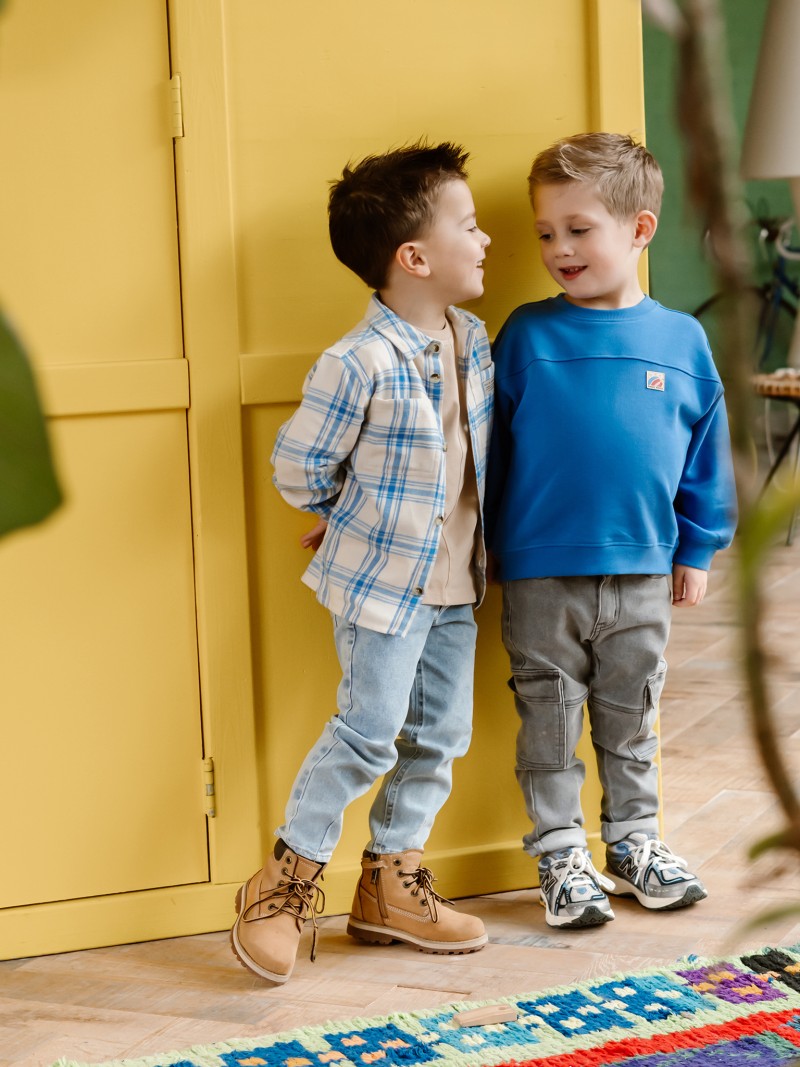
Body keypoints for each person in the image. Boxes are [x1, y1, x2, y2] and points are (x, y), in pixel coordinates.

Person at [231, 141, 494, 982]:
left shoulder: (473, 337)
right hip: (383, 585)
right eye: (471, 224)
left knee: (440, 735)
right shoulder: (358, 361)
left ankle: (390, 883)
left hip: (457, 577)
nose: (487, 239)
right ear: (414, 257)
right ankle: (286, 878)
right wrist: (342, 513)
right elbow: (295, 467)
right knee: (368, 731)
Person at [484, 132, 737, 929]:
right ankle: (561, 854)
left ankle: (633, 842)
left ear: (639, 228)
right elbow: (485, 448)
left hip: (641, 572)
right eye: (546, 232)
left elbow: (705, 453)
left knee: (632, 715)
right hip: (537, 573)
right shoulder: (525, 336)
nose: (560, 248)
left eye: (579, 229)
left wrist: (695, 545)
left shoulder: (682, 341)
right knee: (549, 716)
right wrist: (475, 542)